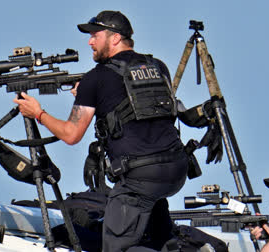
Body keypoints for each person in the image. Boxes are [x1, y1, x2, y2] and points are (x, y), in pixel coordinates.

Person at [14, 10, 189, 252]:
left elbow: (71, 134)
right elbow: (139, 106)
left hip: (139, 179)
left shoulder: (95, 79)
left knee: (116, 248)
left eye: (95, 35)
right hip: (176, 169)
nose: (90, 41)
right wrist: (90, 97)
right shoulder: (158, 66)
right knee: (159, 240)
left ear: (115, 38)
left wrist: (38, 114)